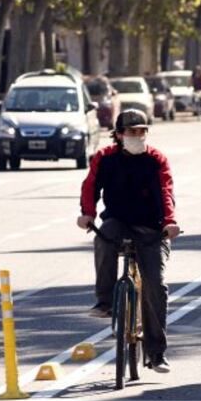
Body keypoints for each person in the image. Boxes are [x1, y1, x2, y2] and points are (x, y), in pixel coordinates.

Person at [76, 109, 180, 373]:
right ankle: (105, 301)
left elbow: (166, 191)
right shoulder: (105, 157)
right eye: (132, 131)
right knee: (104, 235)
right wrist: (87, 214)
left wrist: (169, 221)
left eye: (142, 131)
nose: (138, 136)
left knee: (155, 284)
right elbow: (90, 186)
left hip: (152, 227)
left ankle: (156, 353)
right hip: (118, 220)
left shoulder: (156, 159)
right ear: (119, 134)